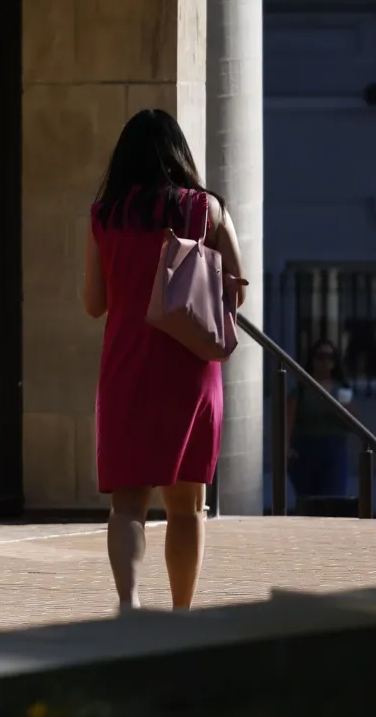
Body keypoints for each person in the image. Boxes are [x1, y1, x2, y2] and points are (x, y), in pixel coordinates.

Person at [84, 108, 246, 612]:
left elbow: (94, 303)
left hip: (127, 365)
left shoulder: (105, 216)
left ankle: (129, 606)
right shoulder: (207, 210)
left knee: (127, 503)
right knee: (188, 505)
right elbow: (237, 290)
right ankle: (180, 615)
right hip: (190, 366)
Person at [289, 339, 354, 508]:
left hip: (333, 449)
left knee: (333, 501)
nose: (325, 361)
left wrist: (343, 407)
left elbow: (352, 423)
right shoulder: (302, 389)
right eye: (320, 356)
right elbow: (288, 421)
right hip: (306, 449)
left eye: (330, 357)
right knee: (309, 503)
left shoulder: (341, 390)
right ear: (312, 359)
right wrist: (287, 450)